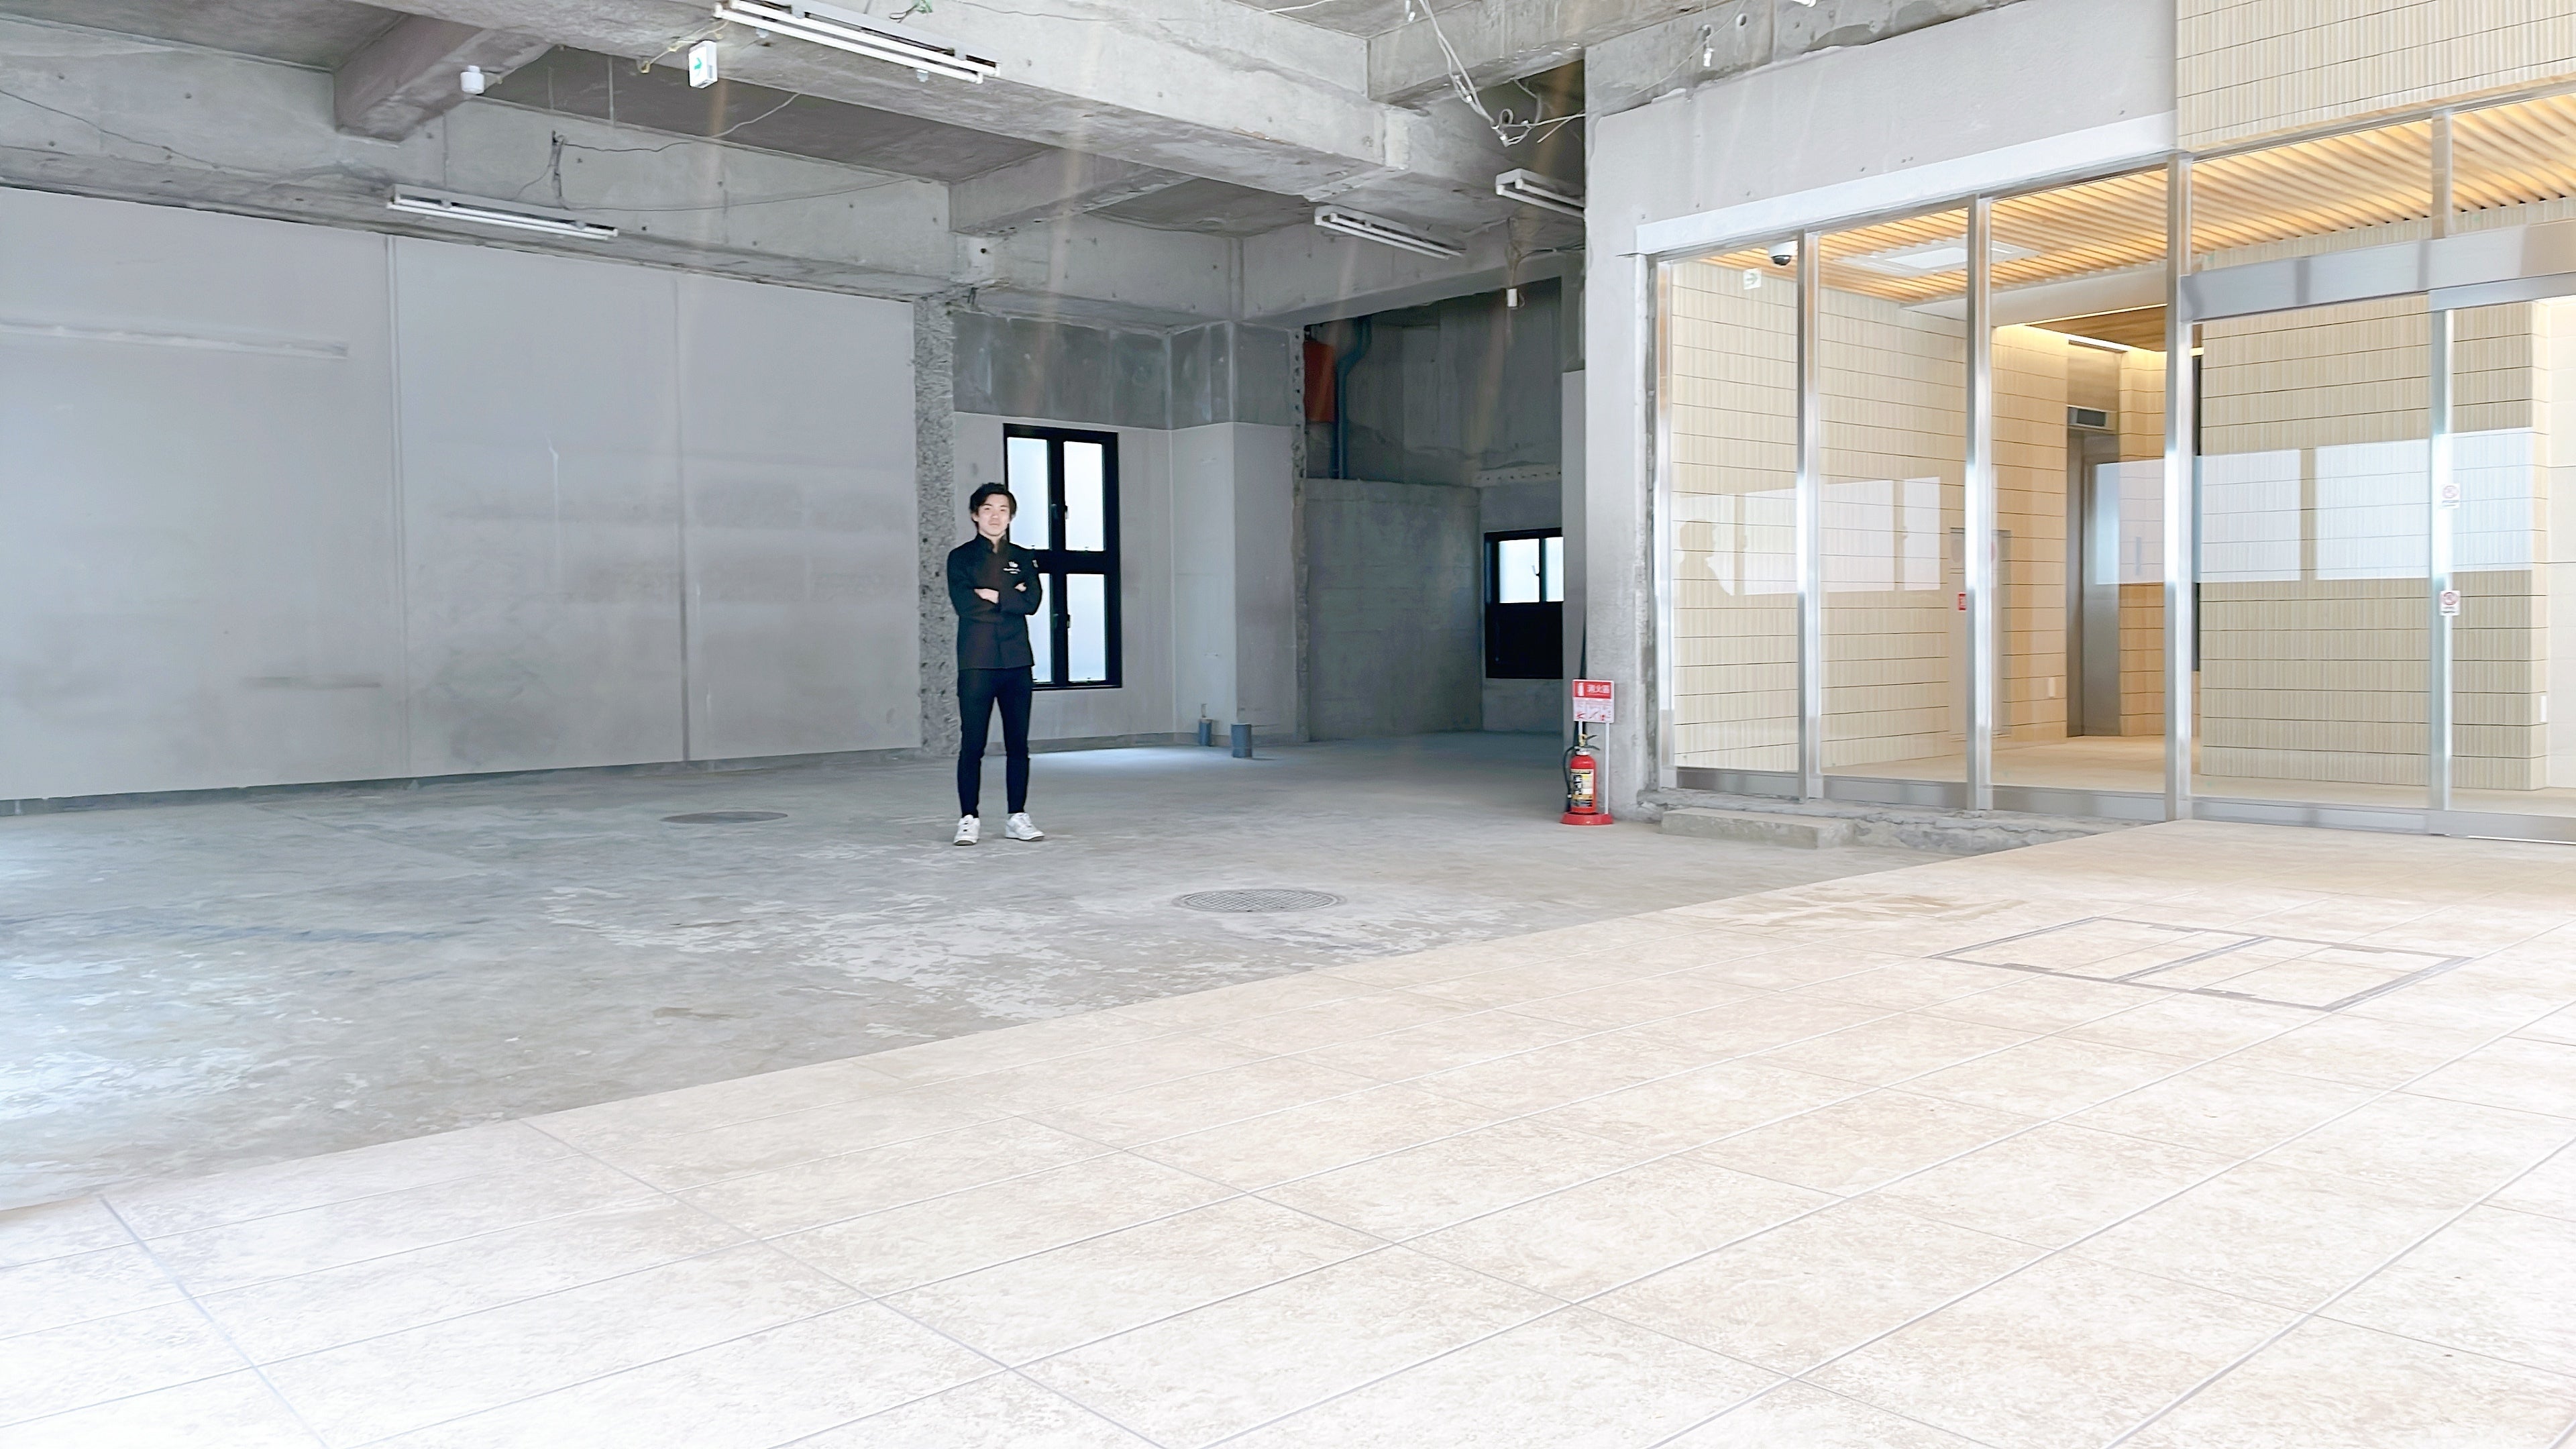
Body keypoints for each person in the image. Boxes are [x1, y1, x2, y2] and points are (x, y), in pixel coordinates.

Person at [947, 482, 1046, 846]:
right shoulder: (960, 558)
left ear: (1011, 516)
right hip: (977, 660)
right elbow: (965, 605)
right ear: (975, 515)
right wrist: (1010, 597)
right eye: (988, 509)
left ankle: (1017, 816)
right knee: (973, 744)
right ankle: (968, 818)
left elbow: (1032, 603)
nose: (995, 516)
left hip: (1017, 661)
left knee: (1018, 744)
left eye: (1003, 510)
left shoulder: (1023, 557)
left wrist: (991, 594)